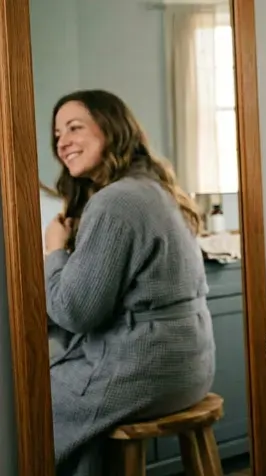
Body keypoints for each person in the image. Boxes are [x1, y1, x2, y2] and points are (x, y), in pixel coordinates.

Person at [44, 89, 216, 476]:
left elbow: (74, 313)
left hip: (148, 369)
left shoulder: (114, 201)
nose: (63, 142)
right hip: (190, 369)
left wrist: (54, 251)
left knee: (32, 402)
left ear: (111, 129)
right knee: (79, 409)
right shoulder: (155, 187)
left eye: (75, 128)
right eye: (57, 134)